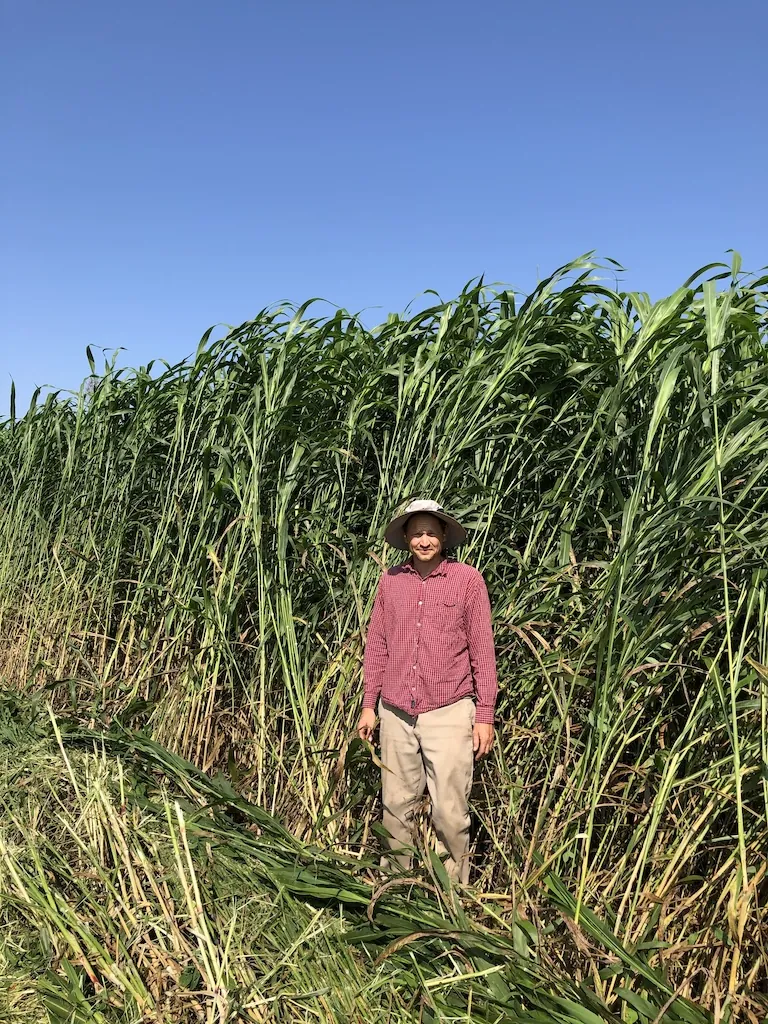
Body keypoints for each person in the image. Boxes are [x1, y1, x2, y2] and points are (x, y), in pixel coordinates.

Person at [357, 499, 497, 884]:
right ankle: (396, 891)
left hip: (449, 712)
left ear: (444, 537)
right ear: (405, 537)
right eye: (416, 532)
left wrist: (484, 714)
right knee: (395, 810)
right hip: (396, 712)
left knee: (450, 814)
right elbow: (377, 646)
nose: (424, 540)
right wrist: (370, 706)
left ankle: (451, 899)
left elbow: (482, 651)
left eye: (431, 533)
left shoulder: (468, 581)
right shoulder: (391, 582)